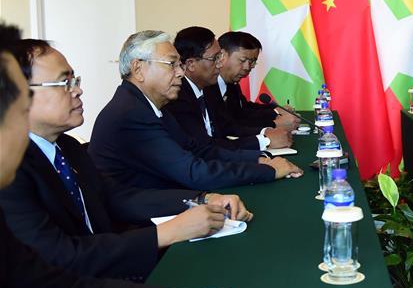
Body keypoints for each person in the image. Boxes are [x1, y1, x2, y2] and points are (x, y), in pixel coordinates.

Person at [0, 22, 242, 288]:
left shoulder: (68, 147)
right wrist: (167, 232)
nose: (78, 90)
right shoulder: (10, 179)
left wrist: (200, 200)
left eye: (75, 79)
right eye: (64, 82)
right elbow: (61, 261)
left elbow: (115, 197)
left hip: (107, 281)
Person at [90, 31, 301, 191]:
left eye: (179, 65)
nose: (181, 72)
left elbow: (198, 150)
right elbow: (192, 171)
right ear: (138, 69)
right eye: (172, 64)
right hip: (140, 221)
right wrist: (267, 170)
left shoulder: (150, 104)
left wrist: (256, 159)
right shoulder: (130, 112)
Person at [166, 26, 291, 151]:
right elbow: (204, 146)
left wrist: (266, 131)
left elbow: (225, 127)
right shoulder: (178, 97)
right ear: (190, 64)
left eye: (220, 56)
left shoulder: (206, 88)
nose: (220, 63)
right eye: (215, 58)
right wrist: (265, 140)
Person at [204, 31, 299, 133]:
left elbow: (243, 109)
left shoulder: (231, 83)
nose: (247, 67)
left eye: (252, 62)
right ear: (221, 56)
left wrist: (276, 110)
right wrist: (274, 123)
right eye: (243, 60)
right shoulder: (207, 86)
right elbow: (229, 126)